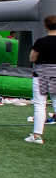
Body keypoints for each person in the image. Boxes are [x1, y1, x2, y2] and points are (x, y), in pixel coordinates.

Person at [25, 15, 56, 144]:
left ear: (45, 26)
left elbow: (32, 58)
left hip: (42, 75)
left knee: (40, 104)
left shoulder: (41, 41)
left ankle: (37, 135)